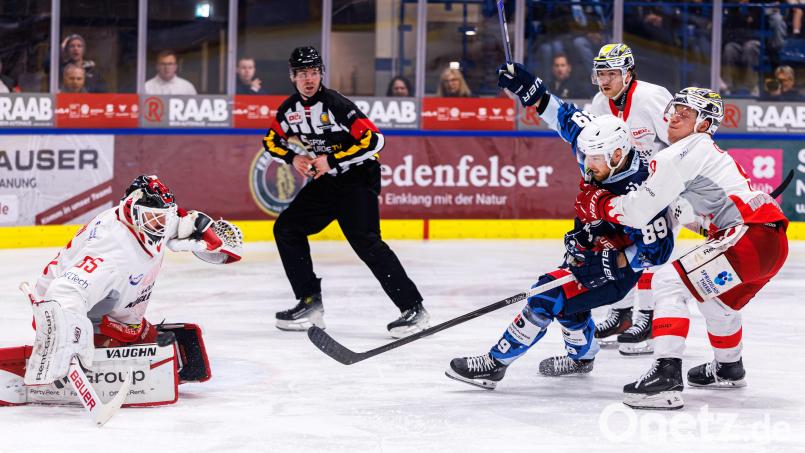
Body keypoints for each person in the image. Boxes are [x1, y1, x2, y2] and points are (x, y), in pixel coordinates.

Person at [446, 65, 675, 387]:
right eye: (586, 155)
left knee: (546, 295)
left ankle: (494, 364)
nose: (588, 163)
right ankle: (582, 357)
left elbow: (659, 252)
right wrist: (531, 88)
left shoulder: (643, 191)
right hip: (590, 250)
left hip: (615, 272)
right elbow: (564, 116)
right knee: (569, 307)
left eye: (596, 158)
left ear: (619, 153)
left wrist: (615, 260)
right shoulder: (594, 148)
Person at [574, 87, 789, 409]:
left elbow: (637, 210)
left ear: (704, 124)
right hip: (769, 243)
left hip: (749, 234)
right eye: (674, 110)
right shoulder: (702, 153)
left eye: (684, 114)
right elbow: (692, 215)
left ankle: (666, 376)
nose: (673, 117)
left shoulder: (681, 153)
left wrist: (601, 204)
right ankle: (729, 367)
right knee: (717, 303)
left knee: (668, 282)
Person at [8, 175, 239, 400]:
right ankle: (84, 345)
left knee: (158, 344)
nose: (160, 226)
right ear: (131, 209)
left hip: (107, 302)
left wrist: (206, 233)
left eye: (164, 218)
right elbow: (65, 291)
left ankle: (119, 335)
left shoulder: (150, 220)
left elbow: (178, 222)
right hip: (60, 309)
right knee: (124, 345)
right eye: (154, 219)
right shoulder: (113, 249)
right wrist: (70, 337)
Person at [262, 46, 429, 338]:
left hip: (358, 179)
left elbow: (374, 140)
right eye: (302, 73)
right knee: (287, 228)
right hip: (328, 182)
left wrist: (331, 160)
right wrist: (294, 158)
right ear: (292, 77)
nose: (309, 79)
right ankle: (310, 302)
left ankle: (413, 309)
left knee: (366, 243)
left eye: (314, 72)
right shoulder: (290, 110)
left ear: (321, 74)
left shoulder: (335, 104)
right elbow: (271, 140)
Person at [587, 43, 673, 356]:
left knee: (650, 255)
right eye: (601, 73)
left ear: (629, 72)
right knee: (612, 247)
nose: (606, 80)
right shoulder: (598, 102)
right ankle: (622, 316)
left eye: (613, 73)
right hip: (624, 193)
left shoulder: (652, 96)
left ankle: (647, 319)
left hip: (658, 190)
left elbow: (679, 140)